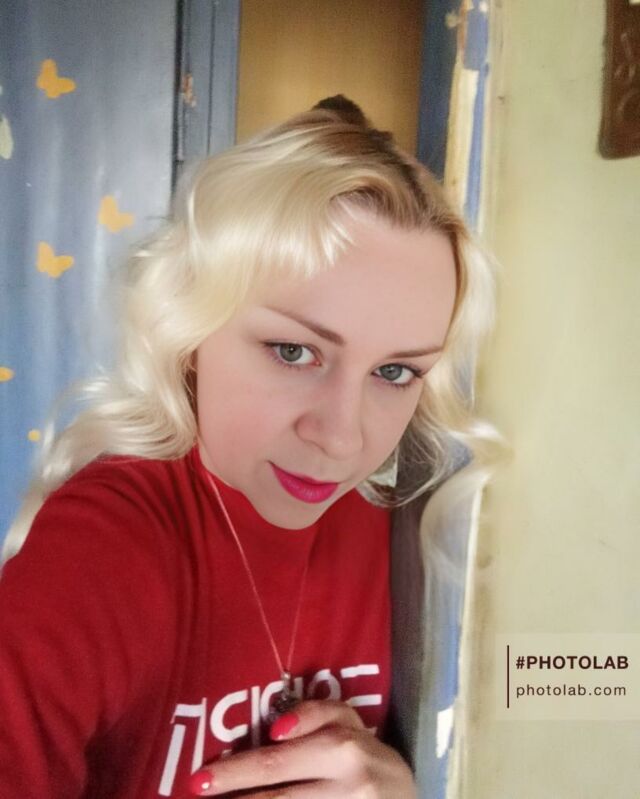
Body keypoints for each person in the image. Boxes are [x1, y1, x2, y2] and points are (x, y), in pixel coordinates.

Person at [0, 95, 497, 798]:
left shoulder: (402, 535)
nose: (342, 438)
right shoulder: (109, 542)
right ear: (192, 331)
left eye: (395, 372)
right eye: (293, 351)